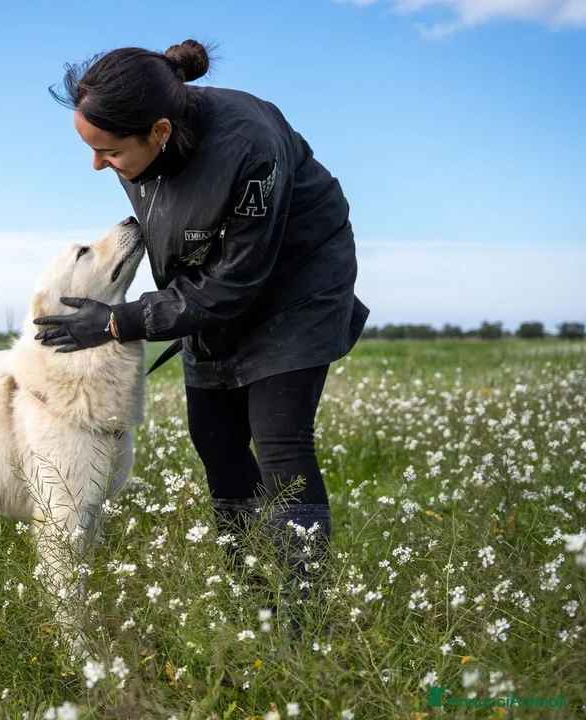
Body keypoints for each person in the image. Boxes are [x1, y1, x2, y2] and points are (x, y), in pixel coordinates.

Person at [33, 39, 369, 633]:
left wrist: (117, 321)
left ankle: (305, 627)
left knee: (281, 443)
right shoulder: (142, 139)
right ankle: (250, 601)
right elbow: (181, 240)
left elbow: (233, 284)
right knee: (214, 437)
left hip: (297, 289)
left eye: (108, 152)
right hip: (208, 288)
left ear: (159, 131)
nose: (98, 166)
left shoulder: (250, 146)